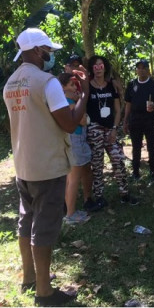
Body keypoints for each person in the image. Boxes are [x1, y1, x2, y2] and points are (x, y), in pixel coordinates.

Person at [1, 28, 89, 306]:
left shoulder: (10, 83)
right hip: (47, 167)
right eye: (49, 50)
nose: (51, 55)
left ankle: (29, 277)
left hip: (23, 165)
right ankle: (44, 291)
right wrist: (83, 96)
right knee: (45, 225)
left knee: (26, 219)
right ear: (39, 51)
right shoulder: (47, 82)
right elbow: (69, 123)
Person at [84, 55, 136, 212]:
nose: (98, 68)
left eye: (101, 65)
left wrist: (114, 128)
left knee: (118, 160)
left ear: (104, 67)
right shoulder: (88, 86)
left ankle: (124, 193)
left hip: (110, 128)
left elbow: (118, 109)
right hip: (94, 128)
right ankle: (99, 196)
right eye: (95, 65)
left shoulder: (110, 86)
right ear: (92, 68)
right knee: (97, 164)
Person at [58, 72, 92, 225]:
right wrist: (81, 102)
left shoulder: (63, 102)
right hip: (75, 141)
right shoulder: (70, 103)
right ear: (63, 87)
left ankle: (69, 209)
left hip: (72, 140)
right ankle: (70, 214)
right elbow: (84, 121)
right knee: (73, 179)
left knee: (70, 178)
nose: (75, 87)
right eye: (72, 84)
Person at [123, 59, 154, 183]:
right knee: (136, 147)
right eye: (139, 68)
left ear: (148, 70)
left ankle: (152, 172)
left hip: (149, 119)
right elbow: (128, 103)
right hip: (134, 119)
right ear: (136, 70)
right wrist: (125, 120)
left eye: (144, 68)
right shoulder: (132, 84)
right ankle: (135, 172)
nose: (141, 70)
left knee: (151, 146)